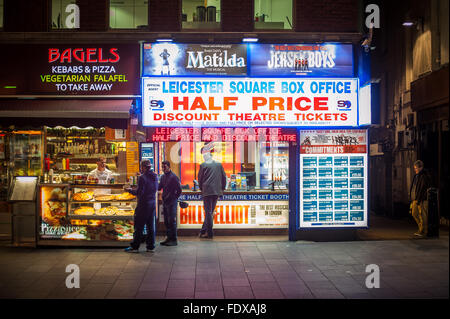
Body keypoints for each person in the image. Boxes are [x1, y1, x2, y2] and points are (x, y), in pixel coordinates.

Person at [124, 160, 158, 253]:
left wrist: (129, 190)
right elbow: (154, 188)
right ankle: (150, 247)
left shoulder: (142, 178)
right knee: (150, 226)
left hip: (143, 205)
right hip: (152, 204)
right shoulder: (155, 176)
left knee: (139, 226)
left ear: (143, 167)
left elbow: (139, 193)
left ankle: (135, 247)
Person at [197, 144, 227, 239]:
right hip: (216, 192)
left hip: (207, 191)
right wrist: (222, 188)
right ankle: (203, 230)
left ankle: (209, 233)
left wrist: (202, 188)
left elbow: (200, 180)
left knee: (208, 212)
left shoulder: (203, 165)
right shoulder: (219, 164)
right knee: (210, 212)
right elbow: (224, 177)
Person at [158, 161, 182, 246]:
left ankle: (174, 240)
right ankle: (168, 238)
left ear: (169, 167)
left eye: (164, 167)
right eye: (162, 167)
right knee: (167, 221)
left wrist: (174, 197)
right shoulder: (163, 177)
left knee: (172, 221)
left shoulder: (174, 177)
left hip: (171, 202)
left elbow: (179, 190)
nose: (163, 168)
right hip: (165, 201)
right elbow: (159, 187)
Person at [409, 160, 432, 238]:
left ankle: (424, 231)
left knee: (423, 215)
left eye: (416, 168)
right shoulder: (417, 176)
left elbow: (422, 189)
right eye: (414, 168)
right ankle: (421, 229)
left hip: (422, 199)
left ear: (421, 167)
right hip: (415, 198)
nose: (415, 170)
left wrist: (419, 199)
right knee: (414, 213)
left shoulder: (424, 176)